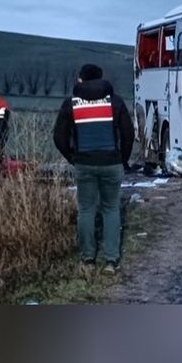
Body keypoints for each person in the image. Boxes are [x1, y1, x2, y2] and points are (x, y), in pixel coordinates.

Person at [52, 63, 134, 274]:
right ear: (101, 78)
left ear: (81, 79)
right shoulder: (114, 102)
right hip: (111, 163)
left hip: (84, 164)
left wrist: (73, 158)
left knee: (86, 210)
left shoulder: (71, 104)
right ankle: (111, 260)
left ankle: (88, 259)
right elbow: (128, 134)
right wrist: (122, 159)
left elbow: (59, 137)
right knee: (111, 209)